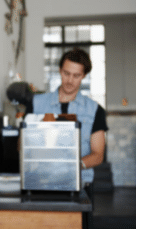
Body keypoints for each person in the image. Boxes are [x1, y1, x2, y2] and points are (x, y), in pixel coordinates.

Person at [29, 48, 108, 190]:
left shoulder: (95, 110)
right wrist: (37, 129)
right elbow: (21, 147)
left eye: (76, 75)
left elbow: (98, 155)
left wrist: (72, 166)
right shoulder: (37, 103)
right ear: (60, 70)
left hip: (81, 185)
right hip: (40, 183)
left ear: (84, 75)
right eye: (66, 73)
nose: (70, 80)